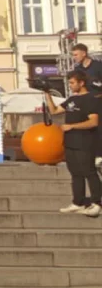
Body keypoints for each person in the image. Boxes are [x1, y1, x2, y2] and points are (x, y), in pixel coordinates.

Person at [44, 70, 101, 217]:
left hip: (85, 142)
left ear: (81, 83)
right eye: (69, 82)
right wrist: (47, 94)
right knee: (75, 173)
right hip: (70, 142)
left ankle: (97, 203)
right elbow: (54, 111)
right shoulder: (72, 99)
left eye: (72, 83)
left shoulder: (91, 99)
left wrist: (72, 126)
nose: (70, 85)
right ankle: (78, 202)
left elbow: (93, 122)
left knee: (89, 171)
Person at [70, 43, 102, 170]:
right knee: (86, 128)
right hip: (85, 103)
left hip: (99, 101)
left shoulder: (98, 66)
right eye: (73, 55)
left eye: (76, 55)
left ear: (84, 53)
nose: (74, 57)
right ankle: (89, 154)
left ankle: (99, 155)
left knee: (98, 127)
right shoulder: (78, 70)